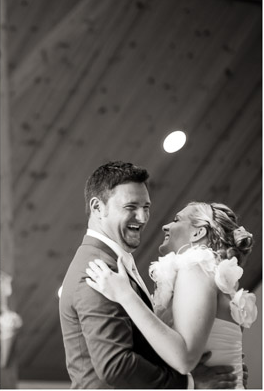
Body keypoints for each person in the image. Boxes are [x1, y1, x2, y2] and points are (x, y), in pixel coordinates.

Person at [59, 161, 238, 388]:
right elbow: (116, 366)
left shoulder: (115, 264)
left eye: (146, 207)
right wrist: (189, 383)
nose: (143, 218)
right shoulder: (98, 272)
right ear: (97, 207)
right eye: (131, 206)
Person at [86, 201, 255, 384]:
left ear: (198, 232)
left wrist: (125, 295)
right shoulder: (214, 276)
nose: (165, 226)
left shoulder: (196, 269)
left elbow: (184, 359)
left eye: (176, 220)